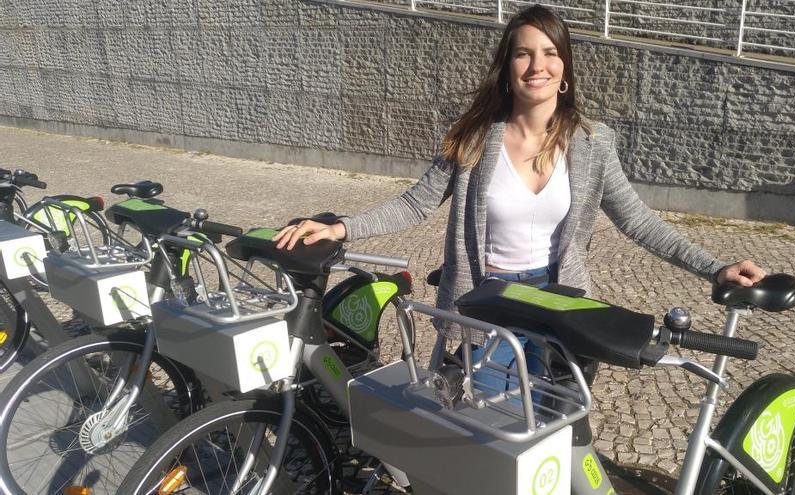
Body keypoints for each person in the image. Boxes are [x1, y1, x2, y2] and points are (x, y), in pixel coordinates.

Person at [273, 5, 765, 389]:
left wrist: (714, 267)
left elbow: (638, 221)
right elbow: (416, 202)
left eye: (551, 53)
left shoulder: (592, 143)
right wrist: (340, 227)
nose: (538, 65)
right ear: (507, 68)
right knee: (485, 426)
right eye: (524, 53)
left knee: (550, 425)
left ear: (565, 67)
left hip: (558, 305)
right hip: (488, 301)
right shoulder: (473, 138)